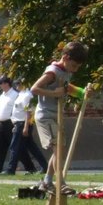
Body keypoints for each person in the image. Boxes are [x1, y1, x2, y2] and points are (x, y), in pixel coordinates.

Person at [31, 40, 89, 188]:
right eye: (74, 66)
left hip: (56, 115)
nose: (75, 70)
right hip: (45, 115)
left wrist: (82, 92)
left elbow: (67, 87)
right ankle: (61, 183)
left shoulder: (66, 72)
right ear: (65, 57)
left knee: (59, 150)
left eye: (78, 67)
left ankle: (47, 181)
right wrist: (54, 93)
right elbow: (34, 89)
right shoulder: (52, 72)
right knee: (58, 149)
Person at [4, 82, 46, 176]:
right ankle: (44, 166)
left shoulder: (27, 95)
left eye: (18, 84)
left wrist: (26, 127)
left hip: (22, 124)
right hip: (18, 123)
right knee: (31, 147)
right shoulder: (20, 94)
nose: (16, 86)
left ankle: (11, 169)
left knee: (14, 147)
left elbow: (29, 112)